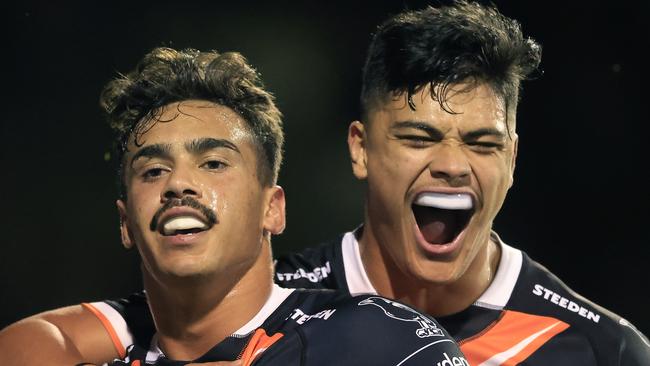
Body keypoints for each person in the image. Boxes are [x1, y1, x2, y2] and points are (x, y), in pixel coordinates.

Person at [2, 1, 648, 365]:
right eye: (419, 137)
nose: (452, 166)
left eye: (481, 143)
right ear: (360, 150)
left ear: (513, 158)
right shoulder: (261, 293)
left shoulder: (604, 351)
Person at [0, 47, 466, 365]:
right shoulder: (105, 349)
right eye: (153, 171)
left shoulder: (379, 339)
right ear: (126, 224)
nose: (178, 183)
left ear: (273, 209)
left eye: (214, 163)